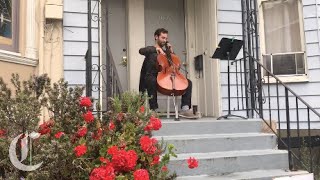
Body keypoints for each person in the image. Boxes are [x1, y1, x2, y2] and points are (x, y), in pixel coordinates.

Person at [139, 28, 197, 118]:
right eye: (163, 38)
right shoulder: (150, 50)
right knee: (152, 80)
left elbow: (174, 63)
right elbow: (141, 51)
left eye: (166, 38)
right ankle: (153, 109)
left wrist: (171, 51)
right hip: (151, 78)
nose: (165, 40)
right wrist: (156, 49)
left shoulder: (166, 53)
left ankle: (185, 108)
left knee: (188, 82)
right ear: (156, 37)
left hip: (165, 78)